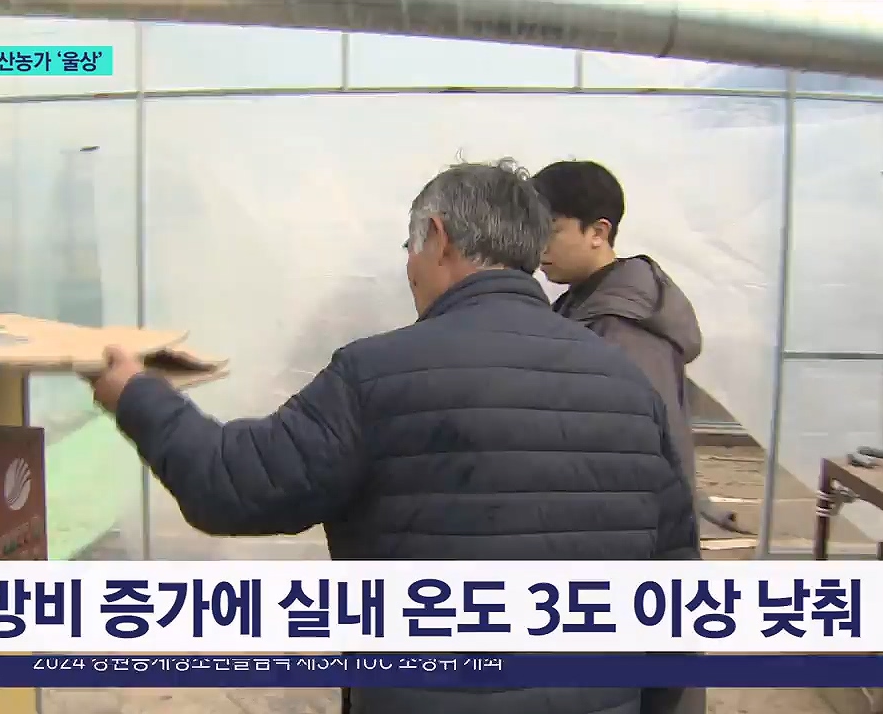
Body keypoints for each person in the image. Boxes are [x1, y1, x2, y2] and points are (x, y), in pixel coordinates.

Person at [86, 159, 700, 714]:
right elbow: (673, 597)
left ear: (438, 237)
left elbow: (233, 485)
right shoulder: (628, 382)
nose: (408, 268)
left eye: (410, 246)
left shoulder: (376, 375)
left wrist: (135, 394)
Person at [529, 160, 744, 536]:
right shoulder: (586, 302)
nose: (539, 246)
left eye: (552, 231)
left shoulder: (625, 330)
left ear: (598, 232)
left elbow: (640, 452)